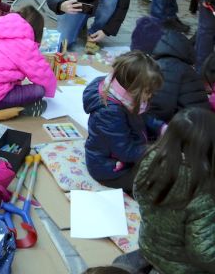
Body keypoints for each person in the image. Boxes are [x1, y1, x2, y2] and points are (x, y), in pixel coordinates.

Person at [135, 108, 215, 273]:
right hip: (181, 266)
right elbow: (203, 253)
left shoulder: (151, 160)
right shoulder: (203, 189)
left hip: (148, 246)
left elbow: (138, 194)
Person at [83, 51, 163, 194]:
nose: (150, 95)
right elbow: (126, 151)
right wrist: (156, 150)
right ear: (132, 88)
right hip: (109, 168)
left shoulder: (122, 92)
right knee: (154, 180)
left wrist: (161, 127)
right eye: (148, 91)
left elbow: (142, 116)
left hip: (123, 153)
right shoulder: (109, 112)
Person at [129, 16, 210, 132]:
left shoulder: (165, 66)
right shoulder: (170, 56)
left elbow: (160, 109)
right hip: (192, 125)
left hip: (193, 134)